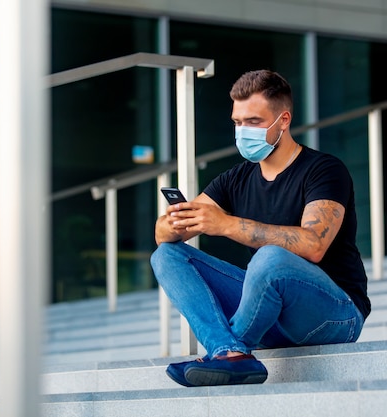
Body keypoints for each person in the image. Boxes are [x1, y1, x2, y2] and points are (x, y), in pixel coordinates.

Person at [150, 69, 371, 387]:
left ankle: (229, 352)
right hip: (270, 316)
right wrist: (173, 222)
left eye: (253, 122)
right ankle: (229, 352)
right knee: (167, 256)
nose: (242, 131)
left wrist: (226, 224)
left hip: (335, 313)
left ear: (283, 120)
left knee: (271, 258)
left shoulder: (324, 169)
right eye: (237, 122)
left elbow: (313, 245)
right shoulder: (234, 179)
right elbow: (162, 236)